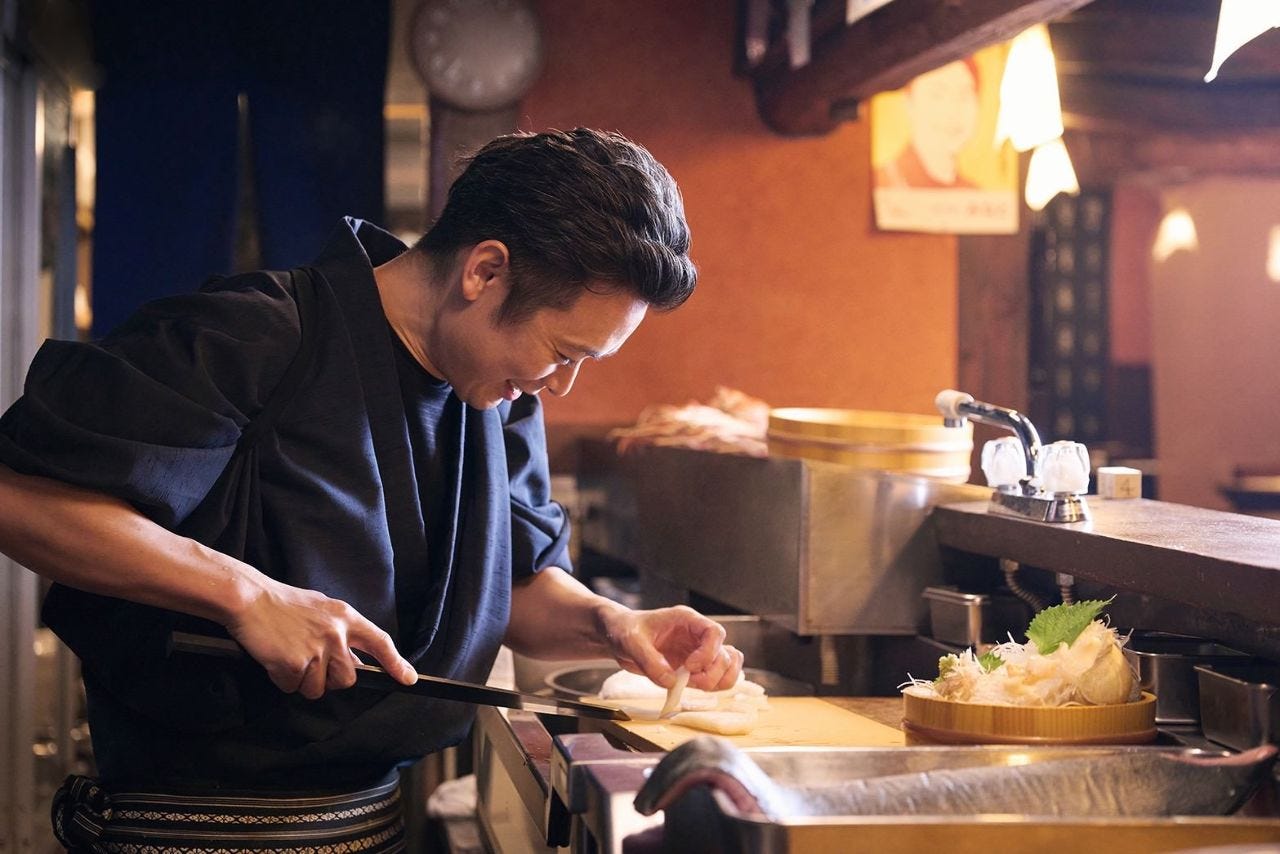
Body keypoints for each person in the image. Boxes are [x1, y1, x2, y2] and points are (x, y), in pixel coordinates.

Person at [0, 128, 743, 850]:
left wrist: (614, 626)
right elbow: (22, 501)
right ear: (485, 272)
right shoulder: (256, 335)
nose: (561, 384)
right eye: (562, 352)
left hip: (370, 825)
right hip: (187, 831)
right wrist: (245, 595)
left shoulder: (498, 396)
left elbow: (513, 588)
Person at [876, 58, 981, 189]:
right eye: (938, 95)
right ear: (909, 102)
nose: (952, 110)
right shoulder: (884, 182)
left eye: (964, 95)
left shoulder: (973, 193)